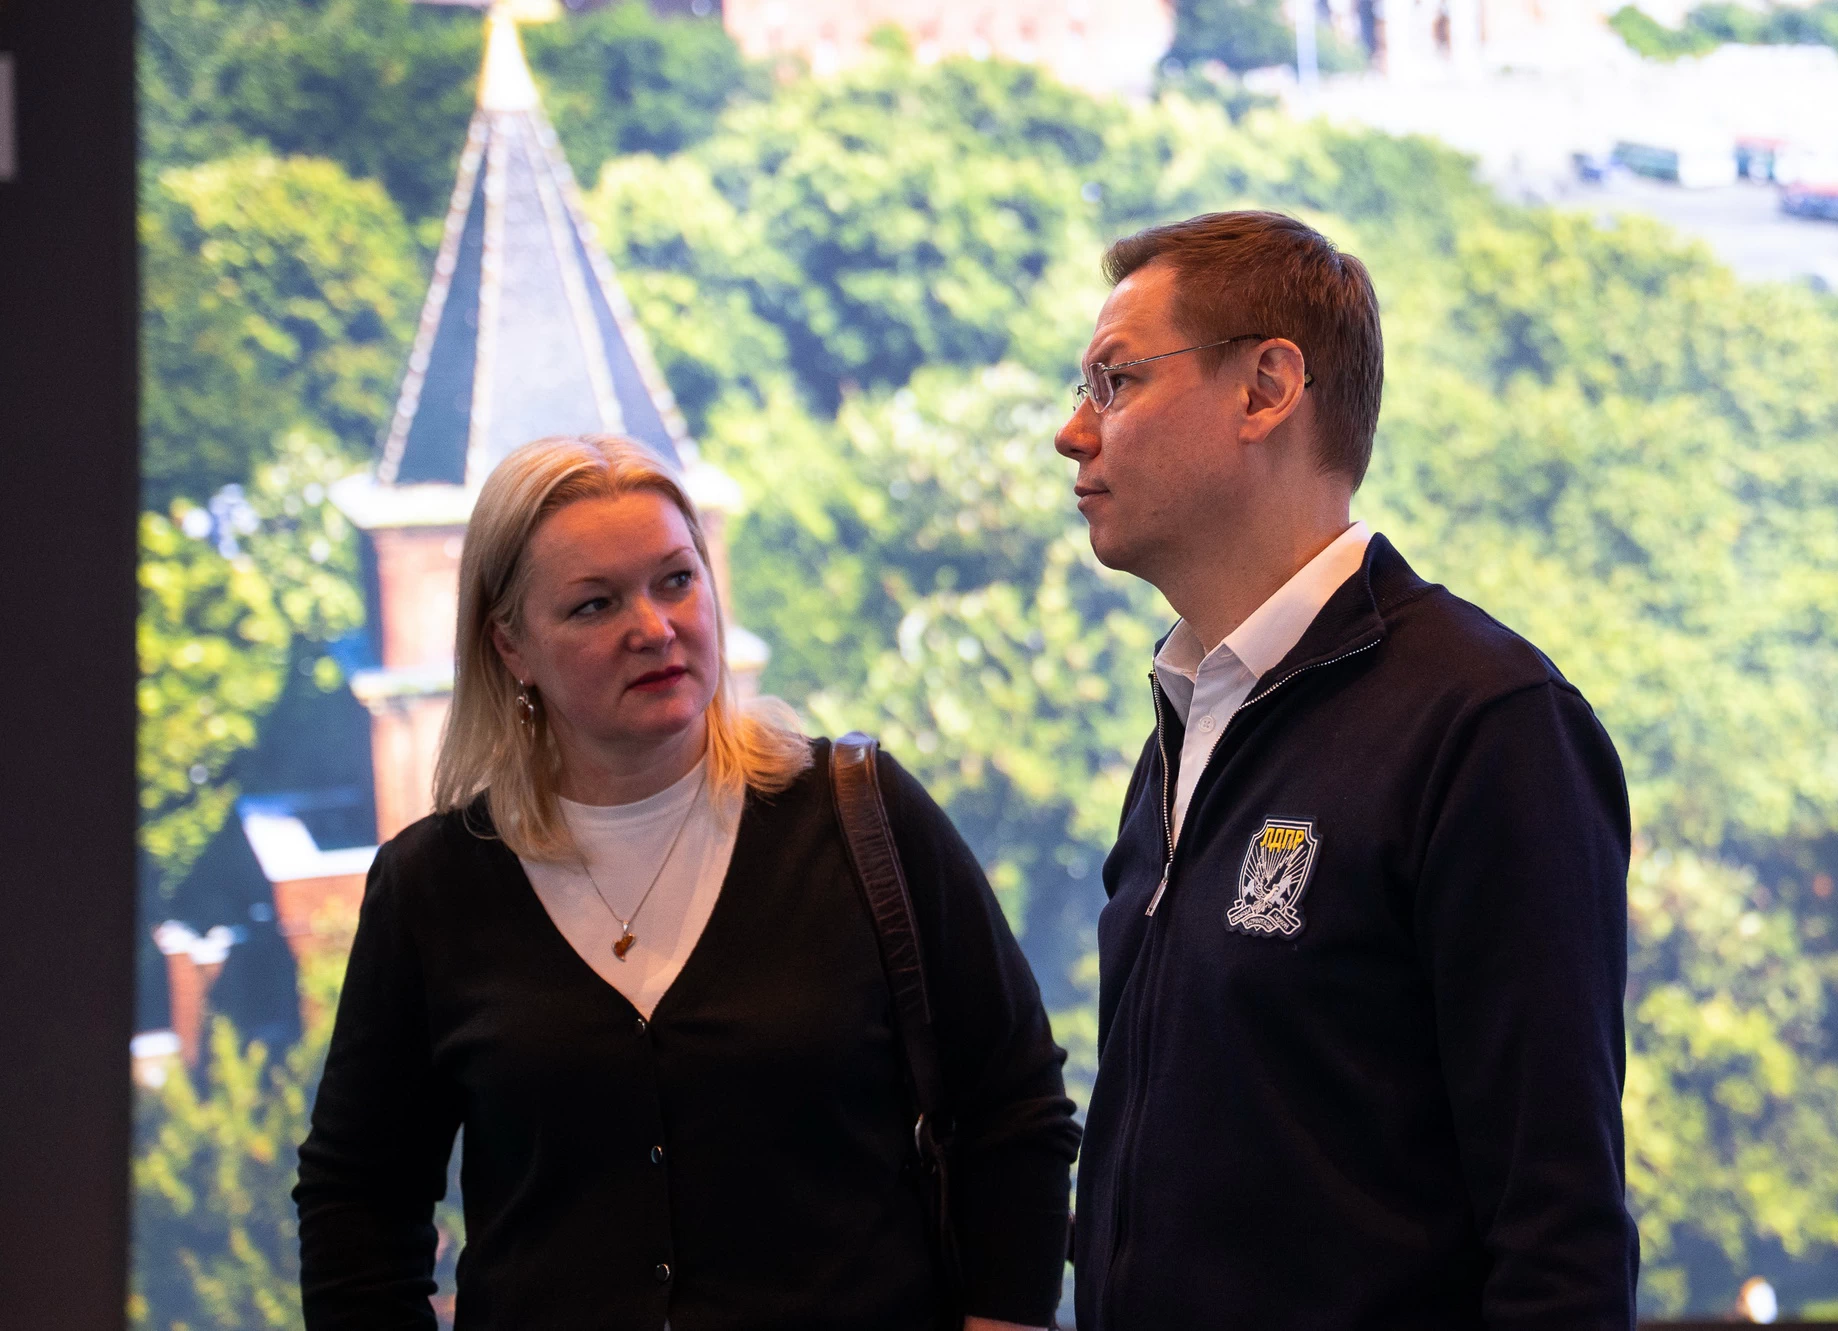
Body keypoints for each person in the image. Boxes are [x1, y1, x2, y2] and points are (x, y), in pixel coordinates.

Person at [294, 434, 1079, 1331]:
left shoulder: (859, 817)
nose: (654, 627)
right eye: (595, 604)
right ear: (511, 645)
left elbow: (1014, 1106)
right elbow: (357, 1199)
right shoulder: (432, 885)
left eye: (676, 579)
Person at [1054, 212, 1638, 1328]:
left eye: (1114, 382)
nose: (1072, 432)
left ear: (1265, 389)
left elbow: (1558, 1233)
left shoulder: (1486, 724)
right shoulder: (1186, 718)